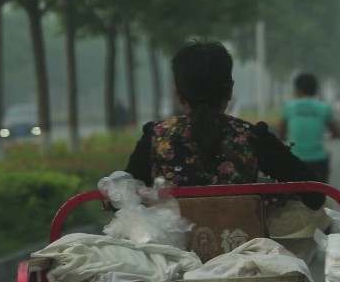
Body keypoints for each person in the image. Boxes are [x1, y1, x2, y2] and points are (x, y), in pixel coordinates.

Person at [124, 40, 325, 210]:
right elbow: (316, 196)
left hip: (169, 254)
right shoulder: (252, 138)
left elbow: (123, 202)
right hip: (244, 253)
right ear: (229, 89)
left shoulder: (155, 137)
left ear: (178, 93)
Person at [278, 73, 340, 183]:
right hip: (318, 160)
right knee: (321, 195)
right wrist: (336, 135)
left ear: (298, 89)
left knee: (292, 194)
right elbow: (336, 132)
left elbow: (281, 134)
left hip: (294, 159)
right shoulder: (324, 107)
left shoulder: (288, 107)